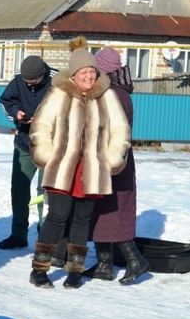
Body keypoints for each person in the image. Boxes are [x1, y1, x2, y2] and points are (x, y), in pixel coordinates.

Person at [28, 43, 131, 289]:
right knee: (56, 217)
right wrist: (49, 156)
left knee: (83, 221)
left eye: (92, 72)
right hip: (63, 169)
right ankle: (39, 269)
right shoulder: (59, 94)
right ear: (73, 75)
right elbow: (41, 127)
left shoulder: (107, 96)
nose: (88, 76)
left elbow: (120, 130)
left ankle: (75, 270)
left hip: (93, 171)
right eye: (83, 72)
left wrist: (111, 159)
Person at [84, 46, 150, 285]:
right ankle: (103, 265)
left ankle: (136, 261)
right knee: (102, 212)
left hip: (114, 161)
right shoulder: (115, 91)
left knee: (113, 214)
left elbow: (111, 130)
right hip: (109, 159)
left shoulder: (115, 95)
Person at [0, 55, 55, 250]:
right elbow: (6, 100)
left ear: (43, 75)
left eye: (34, 81)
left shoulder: (58, 81)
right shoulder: (18, 79)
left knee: (45, 193)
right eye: (26, 81)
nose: (29, 83)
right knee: (19, 190)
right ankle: (18, 234)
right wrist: (16, 113)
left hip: (50, 147)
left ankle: (45, 238)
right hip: (24, 142)